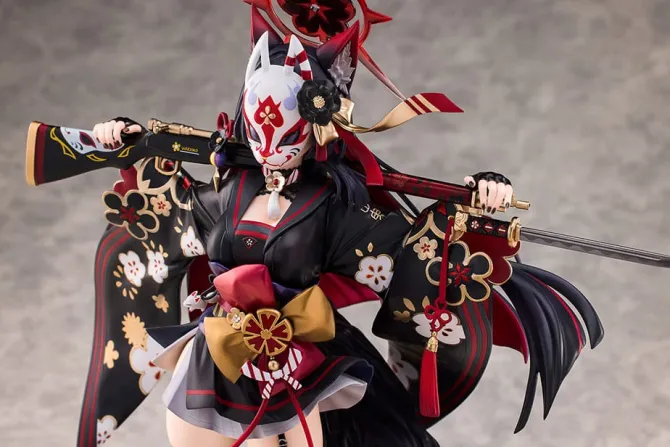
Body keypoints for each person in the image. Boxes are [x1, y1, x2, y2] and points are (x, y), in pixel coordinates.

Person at [42, 6, 603, 447]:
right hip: (217, 350)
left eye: (287, 139)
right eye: (261, 137)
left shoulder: (332, 207)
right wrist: (122, 141)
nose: (271, 154)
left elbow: (410, 252)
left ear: (317, 128)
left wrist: (476, 203)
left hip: (300, 359)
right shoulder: (223, 193)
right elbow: (162, 207)